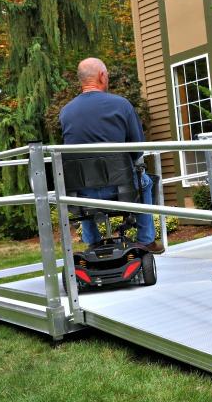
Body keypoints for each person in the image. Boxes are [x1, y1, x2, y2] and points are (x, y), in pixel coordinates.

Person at [59, 57, 163, 254]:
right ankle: (146, 240)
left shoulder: (66, 112)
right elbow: (137, 148)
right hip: (121, 189)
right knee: (146, 182)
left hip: (83, 195)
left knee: (79, 178)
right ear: (101, 76)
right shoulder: (121, 105)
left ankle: (93, 240)